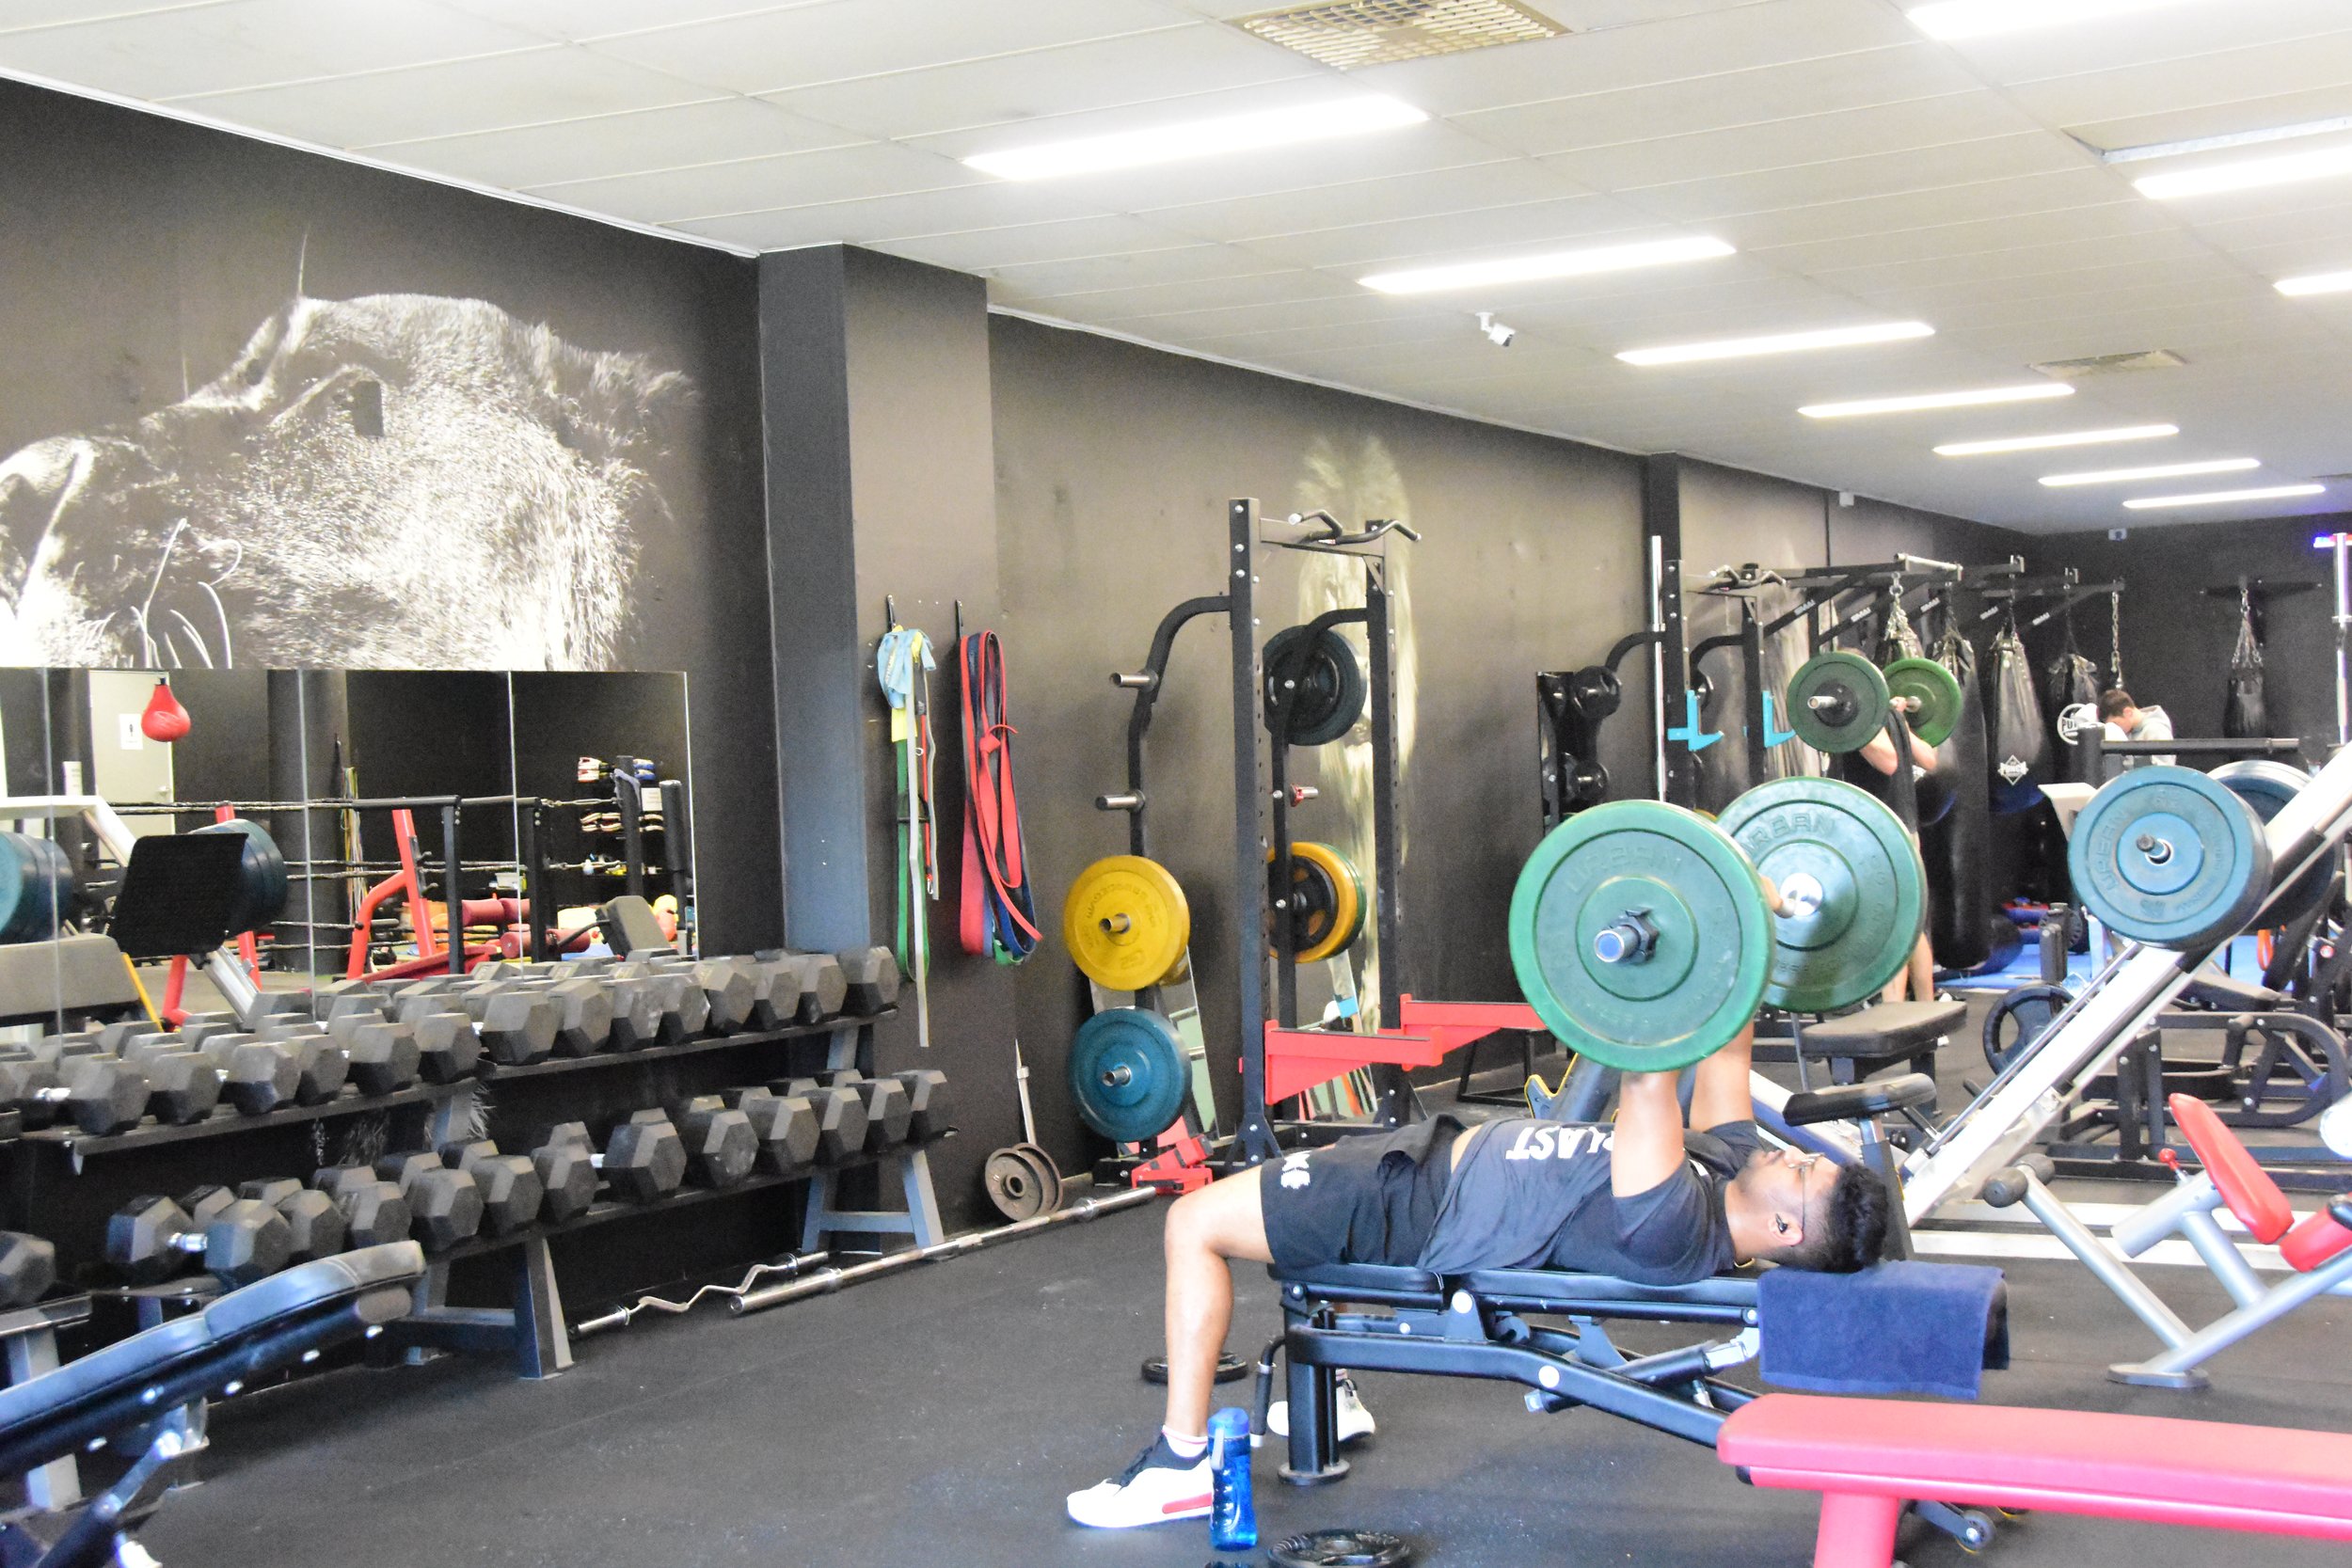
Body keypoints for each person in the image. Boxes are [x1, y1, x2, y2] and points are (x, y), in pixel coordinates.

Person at [1064, 1019, 1892, 1529]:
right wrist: (1741, 900)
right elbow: (1730, 1035)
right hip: (1430, 1164)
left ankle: (1182, 1462)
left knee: (1193, 1222)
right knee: (1293, 1209)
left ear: (1785, 1228)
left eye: (1806, 1173)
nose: (1792, 1152)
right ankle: (1335, 1389)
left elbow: (1647, 1075)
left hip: (1419, 1207)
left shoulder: (1678, 1224)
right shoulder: (1736, 1160)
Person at [1830, 700, 1939, 1002]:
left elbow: (1889, 762)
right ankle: (1927, 1014)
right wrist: (1901, 723)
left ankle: (1895, 1013)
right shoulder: (1890, 713)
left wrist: (1853, 731)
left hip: (1887, 835)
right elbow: (1929, 758)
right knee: (1913, 926)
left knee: (1894, 927)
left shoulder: (1863, 719)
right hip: (1905, 829)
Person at [2099, 688, 2174, 775]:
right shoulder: (2131, 729)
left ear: (2128, 712)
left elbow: (2163, 772)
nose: (2116, 728)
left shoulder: (2155, 730)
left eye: (2115, 723)